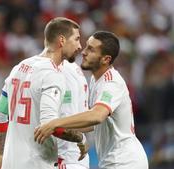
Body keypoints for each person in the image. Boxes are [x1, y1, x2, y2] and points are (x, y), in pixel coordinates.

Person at [34, 31, 149, 169]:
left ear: (105, 59)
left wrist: (54, 123)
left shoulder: (111, 83)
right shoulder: (96, 79)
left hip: (125, 161)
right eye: (86, 46)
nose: (84, 52)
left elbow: (96, 116)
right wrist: (58, 129)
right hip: (113, 160)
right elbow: (93, 124)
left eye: (91, 49)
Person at [0, 17, 84, 169]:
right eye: (76, 39)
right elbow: (50, 124)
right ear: (62, 40)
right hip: (36, 162)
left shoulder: (20, 67)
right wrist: (81, 138)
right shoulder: (52, 74)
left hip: (11, 162)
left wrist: (2, 154)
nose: (80, 46)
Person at [57, 59, 90, 169]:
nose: (80, 47)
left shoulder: (64, 69)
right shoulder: (75, 68)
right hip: (75, 157)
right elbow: (87, 123)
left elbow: (67, 117)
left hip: (65, 157)